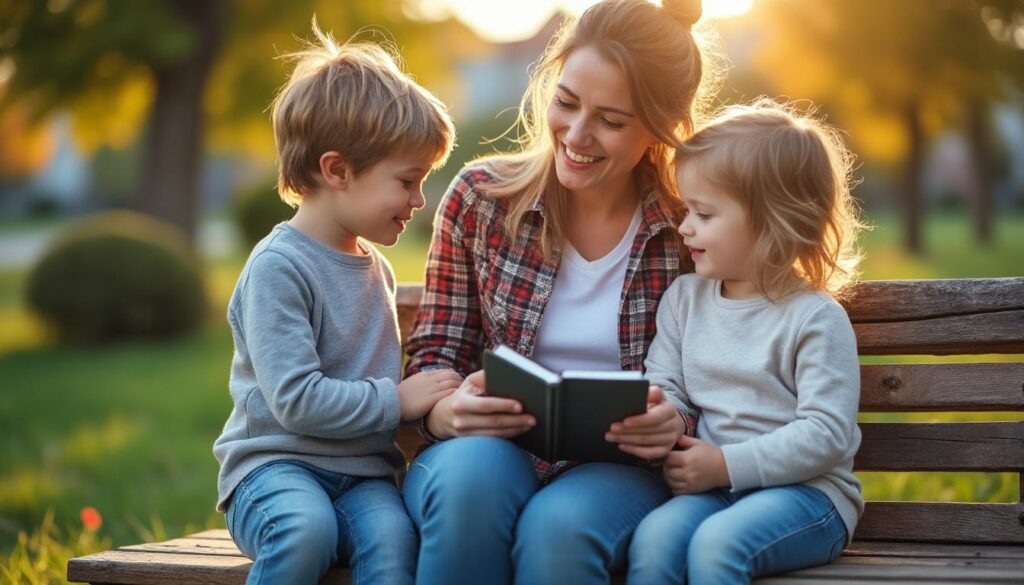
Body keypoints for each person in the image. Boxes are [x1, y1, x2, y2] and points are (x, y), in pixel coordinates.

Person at [401, 1, 721, 583]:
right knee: (471, 488)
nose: (577, 135)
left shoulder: (690, 231)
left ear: (659, 128)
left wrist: (677, 424)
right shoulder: (480, 200)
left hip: (619, 469)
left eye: (612, 120)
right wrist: (446, 412)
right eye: (566, 102)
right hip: (485, 453)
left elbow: (723, 369)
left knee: (560, 530)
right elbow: (437, 353)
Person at [212, 23, 461, 585]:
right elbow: (297, 401)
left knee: (397, 544)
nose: (419, 201)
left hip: (364, 479)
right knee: (305, 531)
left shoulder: (376, 267)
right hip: (275, 470)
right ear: (337, 170)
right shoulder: (280, 267)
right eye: (408, 181)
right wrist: (397, 401)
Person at [626, 100, 867, 585]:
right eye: (686, 209)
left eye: (705, 213)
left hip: (809, 496)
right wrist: (661, 414)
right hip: (715, 490)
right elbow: (666, 383)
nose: (685, 226)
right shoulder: (684, 300)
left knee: (718, 547)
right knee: (653, 542)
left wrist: (724, 465)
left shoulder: (815, 318)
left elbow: (826, 434)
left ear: (773, 223)